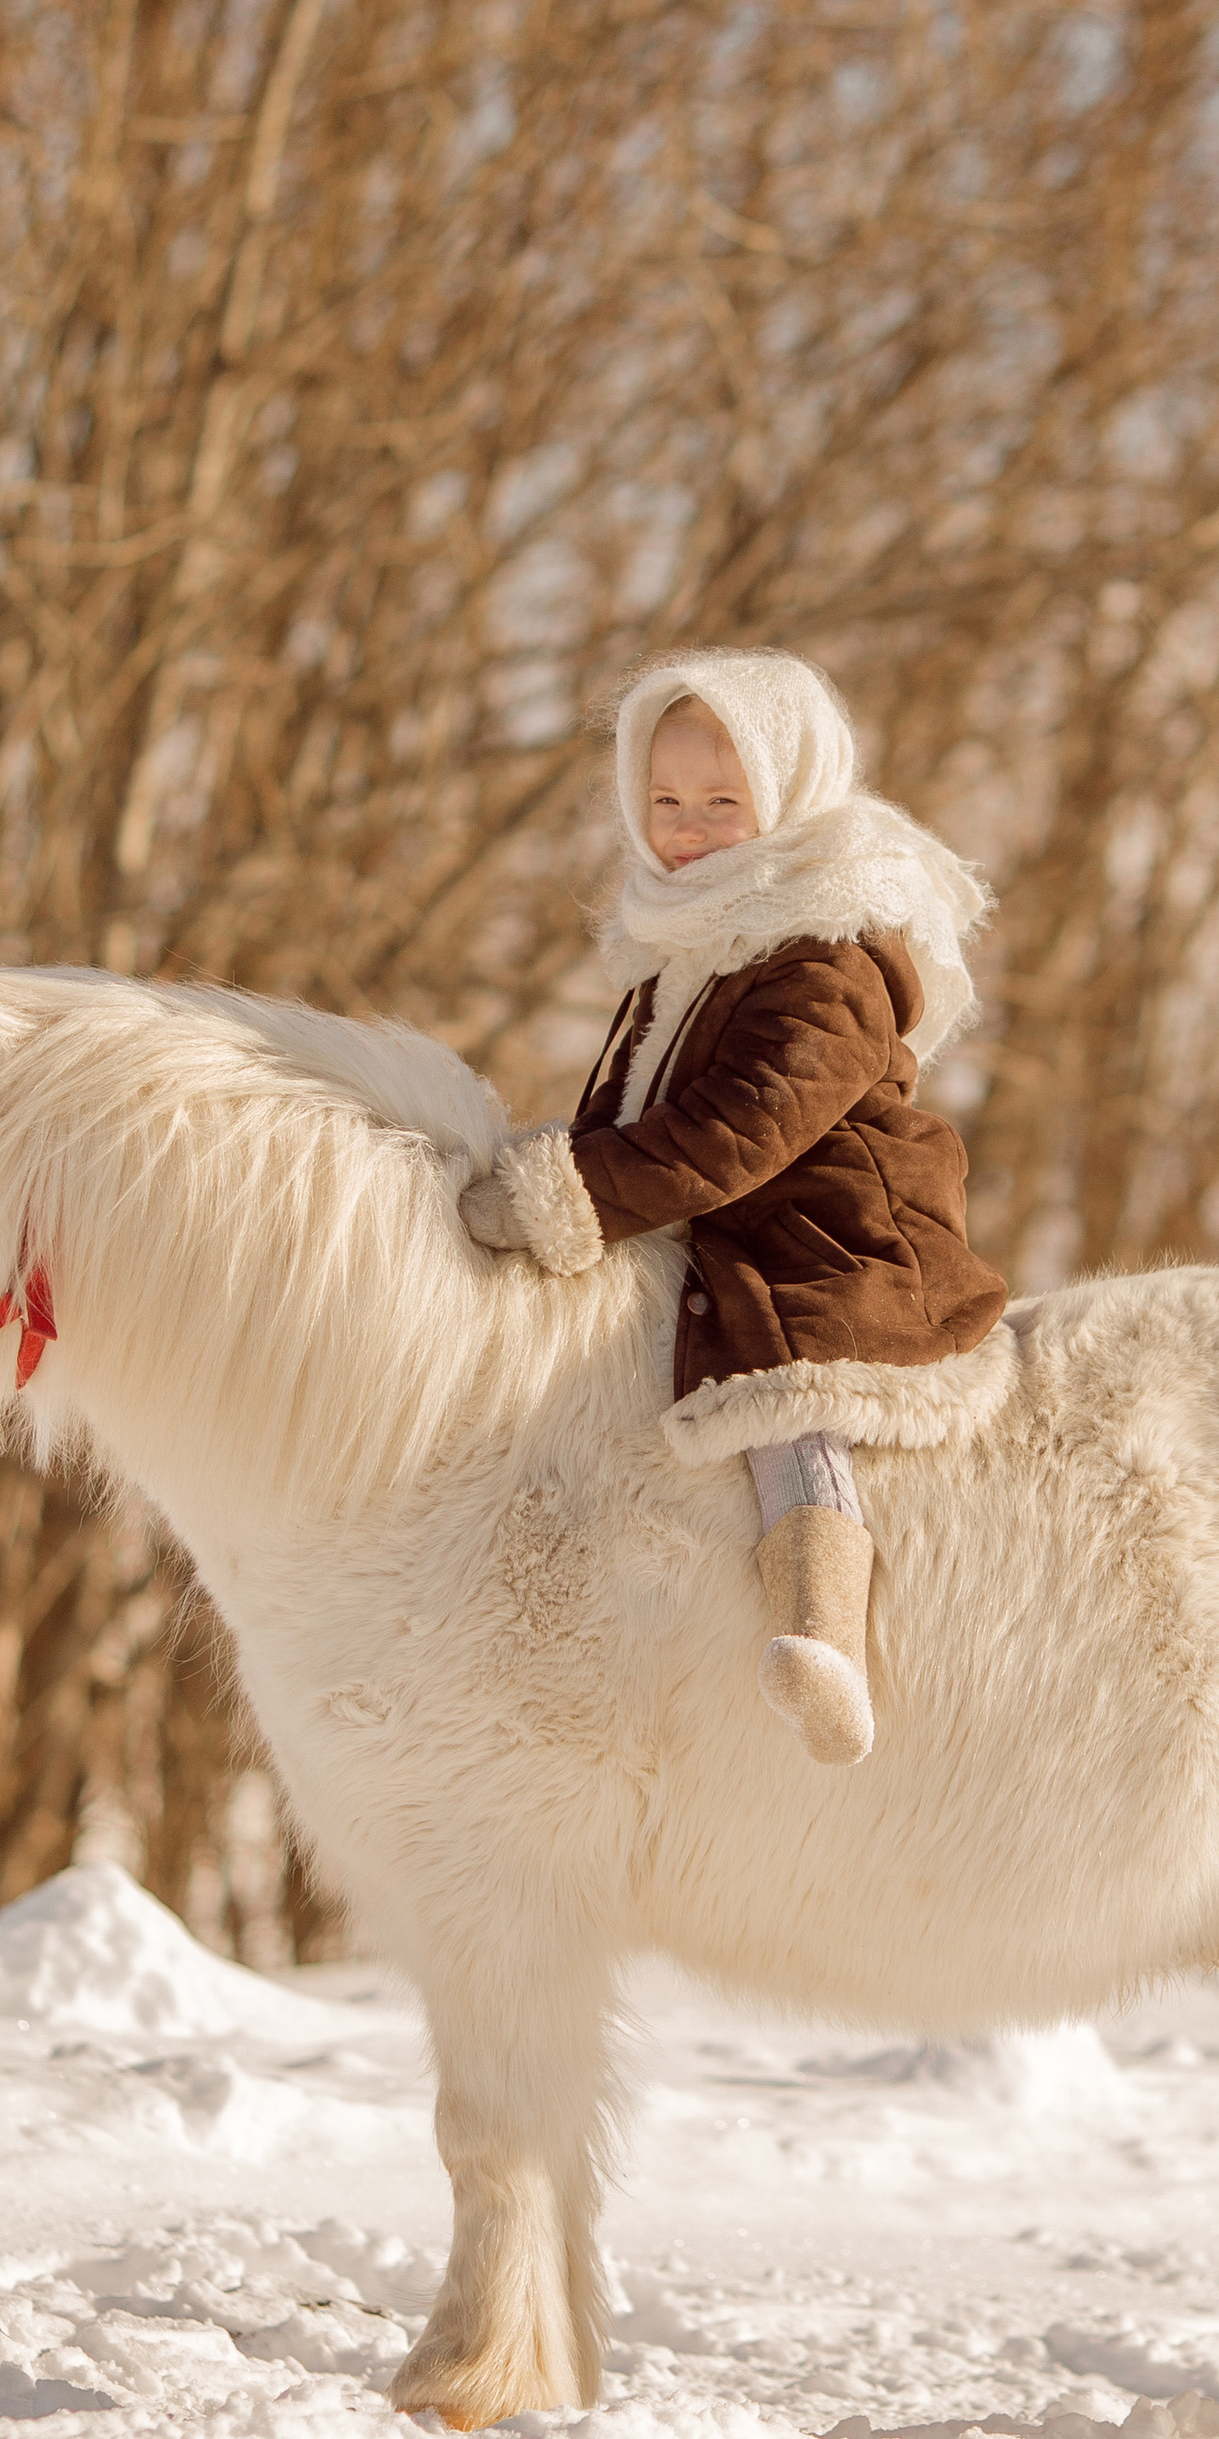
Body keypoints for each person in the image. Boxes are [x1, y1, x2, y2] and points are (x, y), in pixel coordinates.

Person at [458, 650, 1006, 1767]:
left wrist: (574, 1195)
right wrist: (567, 1169)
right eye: (665, 802)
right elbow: (632, 1109)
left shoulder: (827, 951)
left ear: (790, 796)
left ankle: (825, 1635)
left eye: (721, 802)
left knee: (785, 1389)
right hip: (719, 1217)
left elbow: (741, 1127)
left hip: (826, 1229)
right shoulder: (686, 936)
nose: (688, 829)